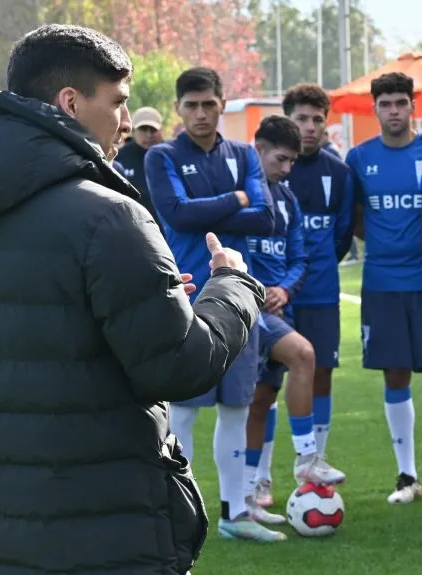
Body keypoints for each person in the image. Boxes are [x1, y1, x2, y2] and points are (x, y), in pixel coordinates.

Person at [0, 25, 265, 574]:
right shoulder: (109, 215)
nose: (128, 122)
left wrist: (146, 300)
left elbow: (43, 339)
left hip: (10, 525)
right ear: (70, 102)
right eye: (118, 103)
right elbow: (179, 366)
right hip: (111, 526)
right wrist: (232, 285)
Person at [145, 66, 283, 542]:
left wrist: (214, 204)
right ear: (178, 108)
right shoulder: (161, 156)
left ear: (223, 104)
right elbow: (178, 215)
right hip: (185, 300)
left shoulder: (244, 152)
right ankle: (179, 514)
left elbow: (265, 218)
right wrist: (238, 197)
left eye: (209, 104)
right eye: (191, 105)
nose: (201, 113)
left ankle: (234, 512)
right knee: (181, 413)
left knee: (237, 409)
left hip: (239, 299)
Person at [346, 71, 422, 505]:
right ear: (375, 109)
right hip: (382, 282)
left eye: (400, 102)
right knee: (394, 375)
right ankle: (406, 475)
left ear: (413, 107)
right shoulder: (359, 158)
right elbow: (356, 217)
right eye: (385, 104)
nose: (393, 111)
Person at [244, 84, 355, 508]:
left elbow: (322, 243)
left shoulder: (334, 175)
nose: (309, 127)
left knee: (313, 369)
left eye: (316, 120)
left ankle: (309, 462)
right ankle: (261, 478)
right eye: (301, 119)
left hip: (308, 294)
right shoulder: (247, 187)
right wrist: (263, 289)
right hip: (259, 303)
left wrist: (288, 286)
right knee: (260, 391)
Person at [114, 106, 163, 218]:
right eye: (143, 129)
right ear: (133, 131)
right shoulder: (119, 157)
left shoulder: (170, 155)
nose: (149, 135)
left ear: (161, 130)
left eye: (153, 129)